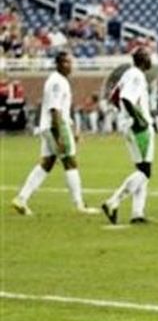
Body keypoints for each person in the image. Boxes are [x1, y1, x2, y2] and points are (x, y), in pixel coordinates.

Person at [12, 51, 98, 216]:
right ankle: (80, 205)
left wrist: (72, 129)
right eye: (66, 62)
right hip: (55, 126)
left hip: (51, 126)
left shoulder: (60, 81)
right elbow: (55, 110)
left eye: (70, 62)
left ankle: (21, 199)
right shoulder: (56, 82)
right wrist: (60, 135)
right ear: (58, 64)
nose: (69, 65)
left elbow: (63, 110)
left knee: (47, 163)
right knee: (70, 162)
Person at [101, 47, 154, 224]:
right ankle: (113, 201)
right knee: (145, 172)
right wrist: (138, 119)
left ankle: (137, 213)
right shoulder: (136, 75)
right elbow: (125, 98)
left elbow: (114, 97)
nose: (151, 59)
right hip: (138, 127)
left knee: (141, 170)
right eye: (148, 56)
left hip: (129, 125)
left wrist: (124, 116)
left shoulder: (127, 74)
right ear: (143, 59)